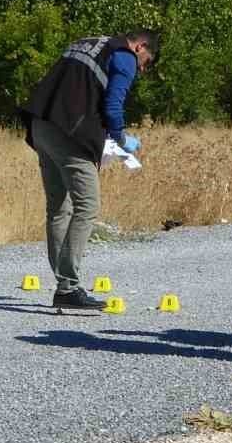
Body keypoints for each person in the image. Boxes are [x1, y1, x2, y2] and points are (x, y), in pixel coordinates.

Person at [19, 30, 159, 310]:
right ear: (140, 46)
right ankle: (68, 288)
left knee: (59, 207)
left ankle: (63, 284)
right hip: (69, 133)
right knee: (87, 205)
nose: (141, 70)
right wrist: (120, 138)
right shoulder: (124, 57)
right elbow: (113, 105)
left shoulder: (88, 41)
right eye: (146, 63)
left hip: (40, 124)